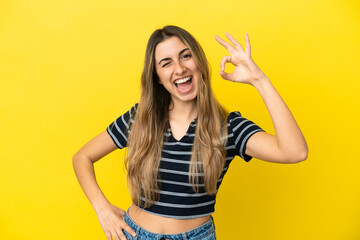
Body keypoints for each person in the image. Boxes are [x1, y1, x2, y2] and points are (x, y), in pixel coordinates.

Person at [72, 25, 308, 240]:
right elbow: (82, 157)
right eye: (166, 63)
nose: (180, 68)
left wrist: (260, 80)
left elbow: (295, 151)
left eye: (186, 56)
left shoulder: (228, 127)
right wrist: (101, 208)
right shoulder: (140, 118)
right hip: (135, 234)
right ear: (157, 77)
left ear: (199, 63)